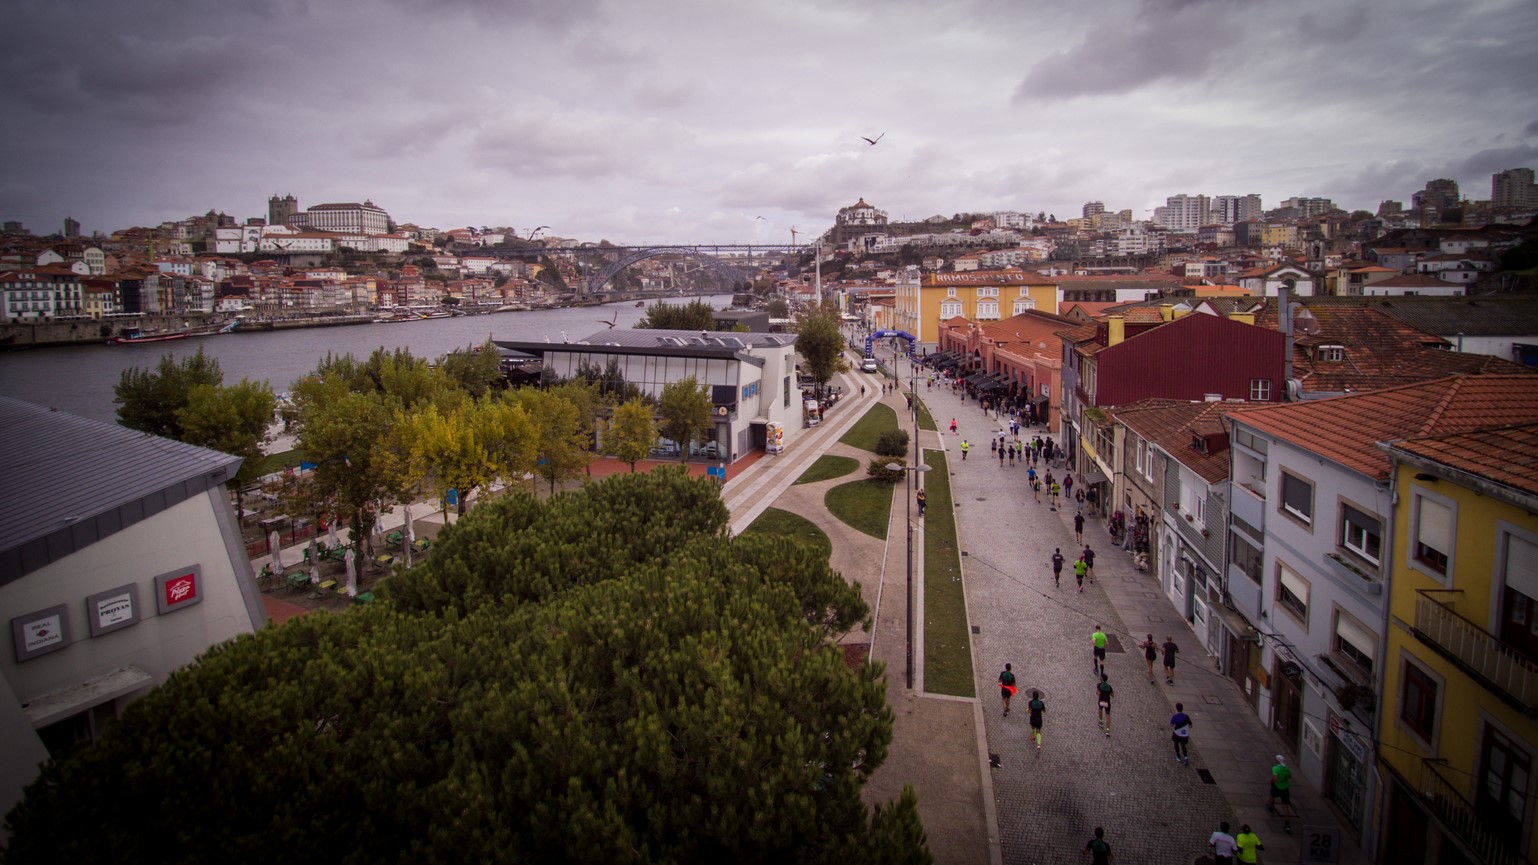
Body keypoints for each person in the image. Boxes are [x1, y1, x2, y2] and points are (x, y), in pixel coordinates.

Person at [1268, 754, 1293, 832]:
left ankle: (1270, 809)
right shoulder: (1287, 769)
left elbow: (1275, 778)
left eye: (1275, 759)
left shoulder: (1275, 768)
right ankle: (1287, 824)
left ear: (1277, 760)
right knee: (1285, 806)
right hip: (1285, 788)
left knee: (1272, 797)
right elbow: (1289, 777)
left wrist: (1271, 780)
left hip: (1277, 787)